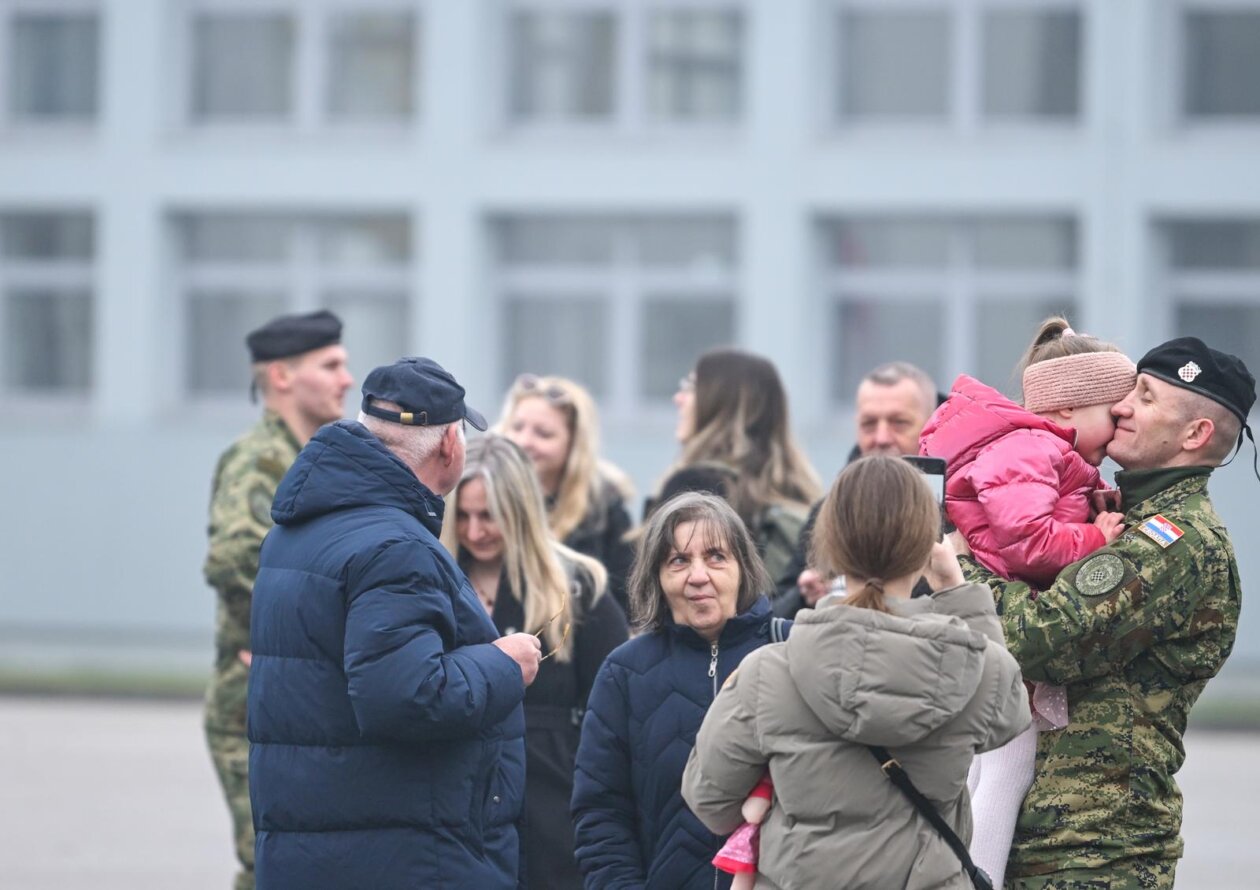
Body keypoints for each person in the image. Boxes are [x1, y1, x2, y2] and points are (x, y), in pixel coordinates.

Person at [956, 336, 1254, 889]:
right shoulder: (1121, 514)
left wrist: (956, 567)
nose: (1120, 407)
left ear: (1196, 434)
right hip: (1045, 841)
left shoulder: (1176, 541)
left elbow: (1042, 638)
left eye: (1143, 397)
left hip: (1094, 853)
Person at [247, 357, 543, 890]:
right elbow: (406, 696)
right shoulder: (397, 548)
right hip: (404, 858)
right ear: (451, 444)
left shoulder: (299, 533)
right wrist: (505, 662)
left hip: (317, 851)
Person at [682, 455, 1030, 889]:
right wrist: (957, 591)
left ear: (830, 545)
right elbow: (1012, 713)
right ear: (927, 546)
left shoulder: (766, 674)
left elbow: (710, 802)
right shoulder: (975, 668)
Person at [918, 318, 1137, 885]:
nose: (1120, 427)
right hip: (1000, 627)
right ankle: (975, 876)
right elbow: (1031, 544)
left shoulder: (1040, 451)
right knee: (1007, 764)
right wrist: (1098, 538)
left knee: (983, 765)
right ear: (1066, 411)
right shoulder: (1032, 450)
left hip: (990, 622)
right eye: (1112, 413)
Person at [202, 309, 351, 890]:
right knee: (274, 865)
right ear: (283, 378)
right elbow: (233, 558)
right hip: (253, 702)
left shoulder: (316, 458)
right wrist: (281, 637)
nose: (346, 378)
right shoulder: (258, 461)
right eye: (331, 365)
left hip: (301, 696)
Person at [439, 434, 629, 890]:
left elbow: (618, 712)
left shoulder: (578, 587)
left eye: (490, 516)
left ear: (520, 514)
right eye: (462, 515)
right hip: (457, 801)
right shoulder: (434, 582)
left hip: (556, 811)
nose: (474, 530)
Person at [571, 492, 787, 890]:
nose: (698, 575)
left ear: (743, 567)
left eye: (716, 556)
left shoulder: (792, 650)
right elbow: (601, 814)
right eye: (679, 561)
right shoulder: (624, 674)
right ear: (657, 576)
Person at [775, 360, 939, 616]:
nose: (882, 438)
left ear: (932, 423)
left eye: (899, 423)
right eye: (869, 424)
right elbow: (775, 614)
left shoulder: (962, 512)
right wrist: (805, 596)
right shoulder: (831, 509)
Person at [666, 348, 822, 591]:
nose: (679, 398)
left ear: (720, 402)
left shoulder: (694, 487)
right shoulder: (800, 496)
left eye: (691, 386)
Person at [498, 374, 637, 614]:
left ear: (574, 444)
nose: (524, 441)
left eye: (543, 434)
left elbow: (628, 602)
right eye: (517, 427)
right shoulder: (478, 494)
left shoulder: (605, 508)